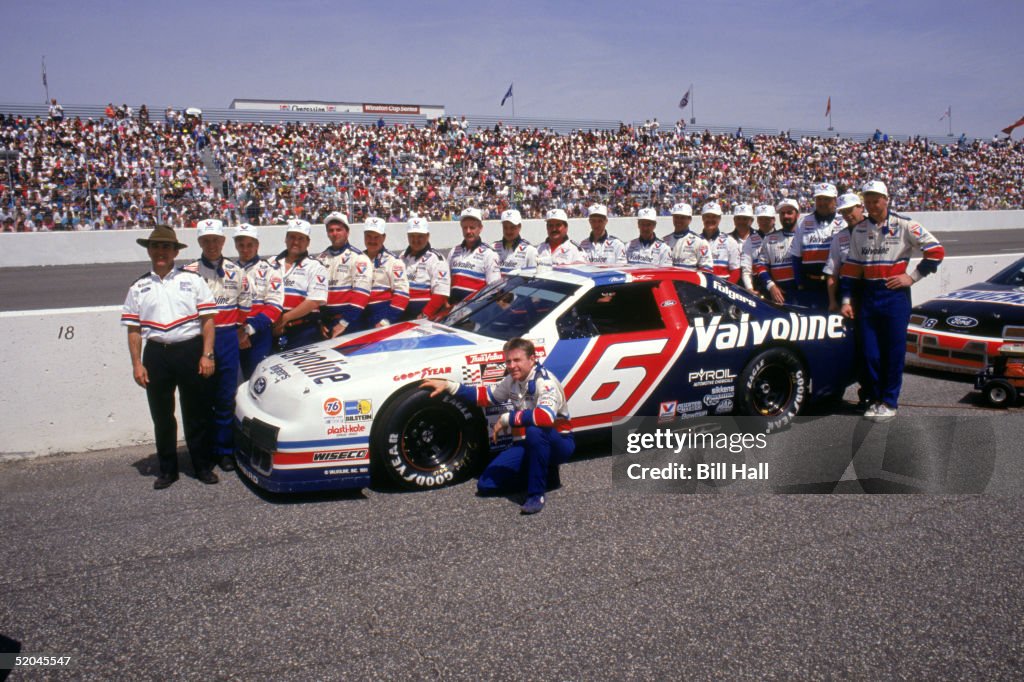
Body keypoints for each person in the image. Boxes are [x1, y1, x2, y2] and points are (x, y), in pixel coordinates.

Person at [421, 337, 573, 515]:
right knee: (486, 484)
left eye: (517, 360)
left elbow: (544, 417)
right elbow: (486, 396)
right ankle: (547, 475)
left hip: (559, 442)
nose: (512, 365)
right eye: (508, 361)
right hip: (529, 444)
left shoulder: (545, 382)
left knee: (535, 430)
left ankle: (536, 494)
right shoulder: (512, 380)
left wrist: (507, 419)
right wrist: (449, 385)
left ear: (532, 359)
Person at [121, 225, 218, 489]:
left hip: (189, 350)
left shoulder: (193, 280)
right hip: (156, 355)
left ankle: (202, 466)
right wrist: (137, 364)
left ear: (176, 251)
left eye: (166, 247)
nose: (160, 251)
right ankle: (167, 470)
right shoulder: (138, 287)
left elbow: (208, 321)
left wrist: (207, 354)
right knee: (162, 415)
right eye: (156, 246)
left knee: (195, 412)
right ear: (149, 250)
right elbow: (134, 330)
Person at [840, 180, 944, 421]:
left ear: (886, 200)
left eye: (875, 200)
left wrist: (912, 277)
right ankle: (875, 398)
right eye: (867, 201)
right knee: (870, 353)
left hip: (894, 295)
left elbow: (936, 251)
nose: (871, 205)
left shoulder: (905, 224)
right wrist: (846, 300)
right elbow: (852, 269)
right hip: (868, 295)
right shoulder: (860, 229)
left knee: (893, 352)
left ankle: (889, 401)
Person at [183, 218, 247, 471]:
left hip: (228, 338)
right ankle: (203, 450)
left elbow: (245, 304)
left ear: (223, 242)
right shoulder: (187, 272)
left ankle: (224, 450)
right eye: (206, 240)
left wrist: (240, 331)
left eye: (216, 240)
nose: (211, 245)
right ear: (199, 242)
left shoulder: (236, 270)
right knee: (200, 397)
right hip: (199, 340)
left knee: (225, 396)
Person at [233, 222, 284, 379]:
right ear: (235, 245)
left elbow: (274, 307)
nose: (245, 249)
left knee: (258, 380)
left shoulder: (270, 270)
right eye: (241, 245)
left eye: (250, 244)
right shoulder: (229, 270)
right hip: (233, 334)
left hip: (259, 334)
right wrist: (238, 332)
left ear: (257, 245)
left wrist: (247, 330)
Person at [270, 219, 329, 351]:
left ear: (308, 242)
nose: (295, 242)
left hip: (303, 332)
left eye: (300, 238)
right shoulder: (270, 263)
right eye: (292, 237)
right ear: (285, 239)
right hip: (272, 329)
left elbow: (314, 301)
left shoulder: (316, 267)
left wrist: (285, 318)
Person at [316, 211, 371, 337]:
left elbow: (362, 294)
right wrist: (318, 321)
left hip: (350, 322)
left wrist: (344, 323)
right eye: (331, 230)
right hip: (325, 323)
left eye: (338, 229)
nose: (334, 233)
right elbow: (314, 294)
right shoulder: (320, 259)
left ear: (347, 232)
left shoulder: (359, 258)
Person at [790, 182, 845, 308]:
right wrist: (799, 284)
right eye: (819, 199)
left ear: (835, 200)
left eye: (827, 199)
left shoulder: (843, 221)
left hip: (837, 284)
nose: (822, 203)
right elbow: (796, 256)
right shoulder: (803, 222)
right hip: (811, 285)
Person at [356, 217, 409, 328]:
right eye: (369, 236)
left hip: (382, 314)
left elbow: (402, 295)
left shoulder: (394, 261)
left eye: (376, 237)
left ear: (384, 237)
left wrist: (386, 320)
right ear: (364, 236)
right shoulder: (356, 258)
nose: (372, 241)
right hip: (358, 314)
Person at [448, 207, 500, 304]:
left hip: (475, 311)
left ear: (480, 228)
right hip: (452, 312)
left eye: (472, 227)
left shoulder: (489, 254)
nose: (468, 231)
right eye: (465, 227)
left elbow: (494, 289)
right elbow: (446, 283)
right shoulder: (454, 251)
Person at [401, 216, 450, 320]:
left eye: (420, 236)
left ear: (427, 236)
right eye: (412, 236)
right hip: (401, 315)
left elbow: (441, 293)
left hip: (423, 318)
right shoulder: (401, 257)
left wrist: (425, 315)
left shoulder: (436, 259)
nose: (415, 240)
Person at [824, 193, 865, 312]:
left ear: (860, 207)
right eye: (843, 212)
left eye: (850, 210)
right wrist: (832, 301)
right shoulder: (839, 237)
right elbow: (832, 272)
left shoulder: (876, 228)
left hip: (875, 291)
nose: (847, 215)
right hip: (849, 295)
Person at [755, 199, 800, 304]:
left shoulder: (805, 236)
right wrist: (771, 286)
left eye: (789, 213)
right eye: (782, 213)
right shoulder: (769, 239)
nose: (786, 216)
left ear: (797, 215)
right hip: (779, 294)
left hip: (803, 292)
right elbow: (761, 266)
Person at [666, 202, 712, 273]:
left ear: (689, 219)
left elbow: (706, 270)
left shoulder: (700, 242)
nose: (678, 220)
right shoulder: (665, 241)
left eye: (682, 217)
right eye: (676, 217)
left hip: (690, 283)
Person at [700, 202, 740, 282]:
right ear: (703, 218)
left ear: (719, 219)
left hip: (723, 289)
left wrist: (726, 289)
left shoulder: (730, 241)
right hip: (700, 288)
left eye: (714, 217)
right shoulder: (696, 241)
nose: (710, 220)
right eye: (707, 216)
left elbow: (736, 271)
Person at [742, 205, 776, 294]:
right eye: (761, 219)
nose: (764, 222)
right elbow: (746, 268)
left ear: (773, 219)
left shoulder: (781, 237)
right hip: (759, 286)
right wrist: (750, 288)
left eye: (767, 219)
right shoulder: (749, 240)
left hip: (778, 284)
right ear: (757, 220)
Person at [493, 209, 538, 274]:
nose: (508, 231)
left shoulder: (530, 251)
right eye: (505, 227)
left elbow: (534, 280)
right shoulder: (493, 247)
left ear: (519, 227)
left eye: (512, 227)